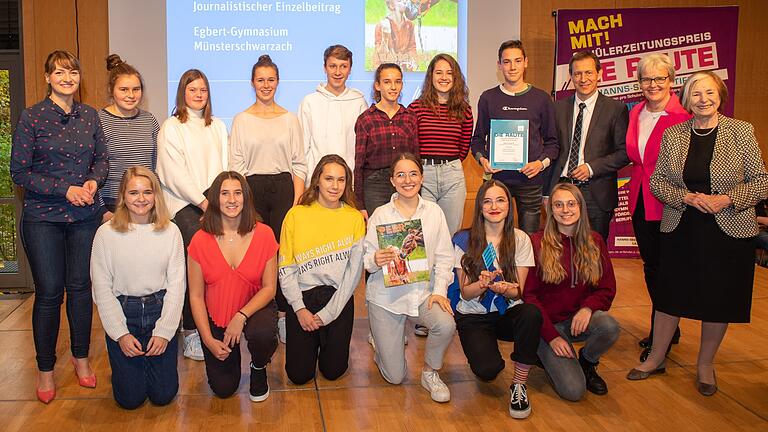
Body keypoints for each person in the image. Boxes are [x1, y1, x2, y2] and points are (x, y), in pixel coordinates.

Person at [628, 71, 768, 396]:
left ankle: (705, 365)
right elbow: (658, 182)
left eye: (709, 92)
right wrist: (686, 197)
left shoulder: (741, 131)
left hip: (730, 227)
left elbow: (761, 181)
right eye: (696, 94)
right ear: (687, 100)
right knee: (670, 295)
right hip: (682, 225)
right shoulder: (674, 134)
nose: (703, 99)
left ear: (720, 94)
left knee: (719, 299)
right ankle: (656, 358)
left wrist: (728, 198)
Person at [11, 50, 108, 404]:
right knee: (50, 292)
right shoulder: (32, 117)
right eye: (60, 72)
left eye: (73, 72)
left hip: (84, 217)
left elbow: (102, 160)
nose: (67, 77)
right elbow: (19, 172)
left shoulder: (90, 116)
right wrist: (64, 189)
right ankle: (45, 370)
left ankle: (81, 361)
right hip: (43, 219)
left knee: (81, 289)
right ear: (48, 77)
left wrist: (93, 184)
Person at [364, 153, 456, 403]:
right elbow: (366, 260)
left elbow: (445, 256)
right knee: (395, 376)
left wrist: (439, 291)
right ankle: (381, 346)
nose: (407, 180)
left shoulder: (434, 212)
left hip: (421, 294)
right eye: (401, 175)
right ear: (392, 181)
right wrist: (375, 259)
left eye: (413, 173)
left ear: (422, 178)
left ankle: (430, 372)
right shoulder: (380, 215)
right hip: (386, 298)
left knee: (445, 323)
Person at [446, 179, 541, 419]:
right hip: (474, 313)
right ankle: (499, 353)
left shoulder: (520, 239)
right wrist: (483, 284)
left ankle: (519, 384)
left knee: (531, 313)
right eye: (487, 201)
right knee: (487, 371)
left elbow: (518, 291)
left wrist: (504, 288)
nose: (494, 206)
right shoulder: (463, 239)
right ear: (479, 207)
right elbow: (465, 292)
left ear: (509, 205)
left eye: (500, 200)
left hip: (506, 309)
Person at [229, 54, 308, 344]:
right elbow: (235, 166)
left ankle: (285, 316)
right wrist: (241, 201)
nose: (266, 85)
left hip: (285, 189)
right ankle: (257, 315)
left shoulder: (290, 119)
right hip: (252, 190)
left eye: (270, 79)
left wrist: (297, 201)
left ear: (278, 82)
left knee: (283, 254)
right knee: (257, 255)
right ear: (252, 83)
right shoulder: (241, 120)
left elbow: (299, 163)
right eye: (260, 80)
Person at [91, 167, 184, 409]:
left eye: (147, 192)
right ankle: (128, 372)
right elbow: (101, 288)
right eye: (133, 192)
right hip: (124, 313)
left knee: (163, 396)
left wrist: (164, 331)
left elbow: (177, 285)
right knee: (129, 400)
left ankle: (150, 369)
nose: (141, 199)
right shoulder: (105, 234)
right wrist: (120, 333)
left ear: (156, 195)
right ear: (123, 196)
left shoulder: (171, 232)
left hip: (159, 310)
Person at [187, 171, 279, 402]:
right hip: (217, 314)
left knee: (263, 335)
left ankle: (259, 367)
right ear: (215, 199)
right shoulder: (199, 239)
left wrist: (241, 316)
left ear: (246, 197)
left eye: (238, 193)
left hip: (255, 308)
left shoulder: (264, 233)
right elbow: (196, 296)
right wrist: (207, 340)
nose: (231, 200)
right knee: (224, 389)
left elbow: (269, 288)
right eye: (224, 193)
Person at [156, 68, 228, 361]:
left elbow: (225, 167)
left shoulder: (218, 126)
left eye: (203, 90)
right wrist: (202, 203)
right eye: (192, 90)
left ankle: (214, 325)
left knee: (216, 270)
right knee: (192, 272)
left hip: (216, 203)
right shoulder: (171, 127)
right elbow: (172, 174)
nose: (198, 95)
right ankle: (190, 333)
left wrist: (218, 201)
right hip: (185, 206)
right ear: (182, 93)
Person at [524, 183, 619, 401]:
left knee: (609, 326)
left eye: (571, 204)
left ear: (580, 207)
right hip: (546, 326)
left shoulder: (595, 241)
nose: (565, 210)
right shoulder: (537, 242)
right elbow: (529, 297)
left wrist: (588, 308)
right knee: (574, 391)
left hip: (578, 321)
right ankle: (542, 353)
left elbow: (607, 288)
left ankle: (588, 362)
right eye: (558, 205)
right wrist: (553, 337)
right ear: (550, 209)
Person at [625, 54, 690, 362]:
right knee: (651, 267)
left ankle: (660, 336)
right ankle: (667, 328)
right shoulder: (635, 111)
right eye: (646, 79)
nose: (652, 85)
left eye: (659, 78)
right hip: (639, 197)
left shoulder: (683, 117)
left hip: (669, 203)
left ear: (671, 81)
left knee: (668, 270)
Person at [279, 155, 366, 384]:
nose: (335, 186)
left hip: (338, 297)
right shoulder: (296, 215)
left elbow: (353, 273)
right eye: (329, 179)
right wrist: (299, 309)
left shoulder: (354, 218)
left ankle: (325, 343)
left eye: (341, 180)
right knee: (299, 376)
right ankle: (311, 343)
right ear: (317, 180)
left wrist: (329, 313)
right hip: (304, 297)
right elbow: (286, 268)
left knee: (333, 371)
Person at [470, 40, 559, 234]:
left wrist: (540, 164)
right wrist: (483, 160)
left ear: (525, 62)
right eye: (507, 61)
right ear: (499, 65)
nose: (512, 67)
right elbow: (477, 140)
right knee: (492, 234)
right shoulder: (488, 98)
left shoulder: (541, 99)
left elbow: (553, 143)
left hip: (530, 180)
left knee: (529, 237)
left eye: (517, 61)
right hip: (497, 179)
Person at [549, 50, 629, 242]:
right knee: (562, 250)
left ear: (599, 74)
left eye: (588, 73)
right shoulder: (557, 108)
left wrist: (591, 168)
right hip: (562, 188)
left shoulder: (616, 109)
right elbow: (551, 148)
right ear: (571, 76)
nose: (583, 79)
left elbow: (624, 152)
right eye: (577, 74)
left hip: (596, 192)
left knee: (594, 253)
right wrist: (547, 191)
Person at [409, 53, 473, 236]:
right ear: (431, 77)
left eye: (449, 73)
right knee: (422, 235)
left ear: (456, 78)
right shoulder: (415, 108)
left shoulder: (465, 110)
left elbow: (463, 149)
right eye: (439, 73)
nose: (444, 77)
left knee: (450, 234)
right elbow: (411, 146)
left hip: (452, 175)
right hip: (423, 176)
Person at [354, 63, 419, 219]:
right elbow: (359, 165)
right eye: (387, 82)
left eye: (397, 81)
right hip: (375, 186)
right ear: (378, 85)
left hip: (405, 182)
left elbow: (416, 158)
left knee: (406, 234)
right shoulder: (366, 119)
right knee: (382, 236)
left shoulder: (410, 117)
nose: (393, 87)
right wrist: (360, 204)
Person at [98, 54, 160, 214]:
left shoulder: (149, 120)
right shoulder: (98, 121)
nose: (131, 95)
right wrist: (101, 210)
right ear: (111, 90)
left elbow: (156, 166)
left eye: (136, 89)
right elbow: (90, 169)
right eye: (124, 89)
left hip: (146, 203)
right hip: (112, 204)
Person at [298, 45, 368, 181]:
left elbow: (362, 150)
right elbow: (302, 149)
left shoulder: (359, 102)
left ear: (350, 70)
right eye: (332, 66)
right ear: (325, 68)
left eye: (343, 66)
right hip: (316, 181)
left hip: (349, 182)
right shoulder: (309, 102)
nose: (338, 72)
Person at [373, 0, 418, 71]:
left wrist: (413, 62)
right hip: (386, 69)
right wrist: (386, 35)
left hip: (403, 69)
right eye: (399, 0)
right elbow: (380, 55)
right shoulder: (382, 25)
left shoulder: (409, 25)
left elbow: (412, 48)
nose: (404, 1)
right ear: (391, 5)